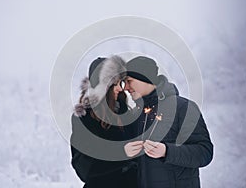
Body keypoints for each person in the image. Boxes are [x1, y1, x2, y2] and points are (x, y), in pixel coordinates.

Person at [123, 56, 213, 188]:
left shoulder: (183, 108)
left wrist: (167, 151)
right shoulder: (137, 114)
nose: (126, 87)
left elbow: (204, 153)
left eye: (129, 81)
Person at [70, 56, 137, 188]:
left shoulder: (125, 113)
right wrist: (122, 153)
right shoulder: (84, 119)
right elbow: (85, 168)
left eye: (122, 82)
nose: (120, 88)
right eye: (115, 84)